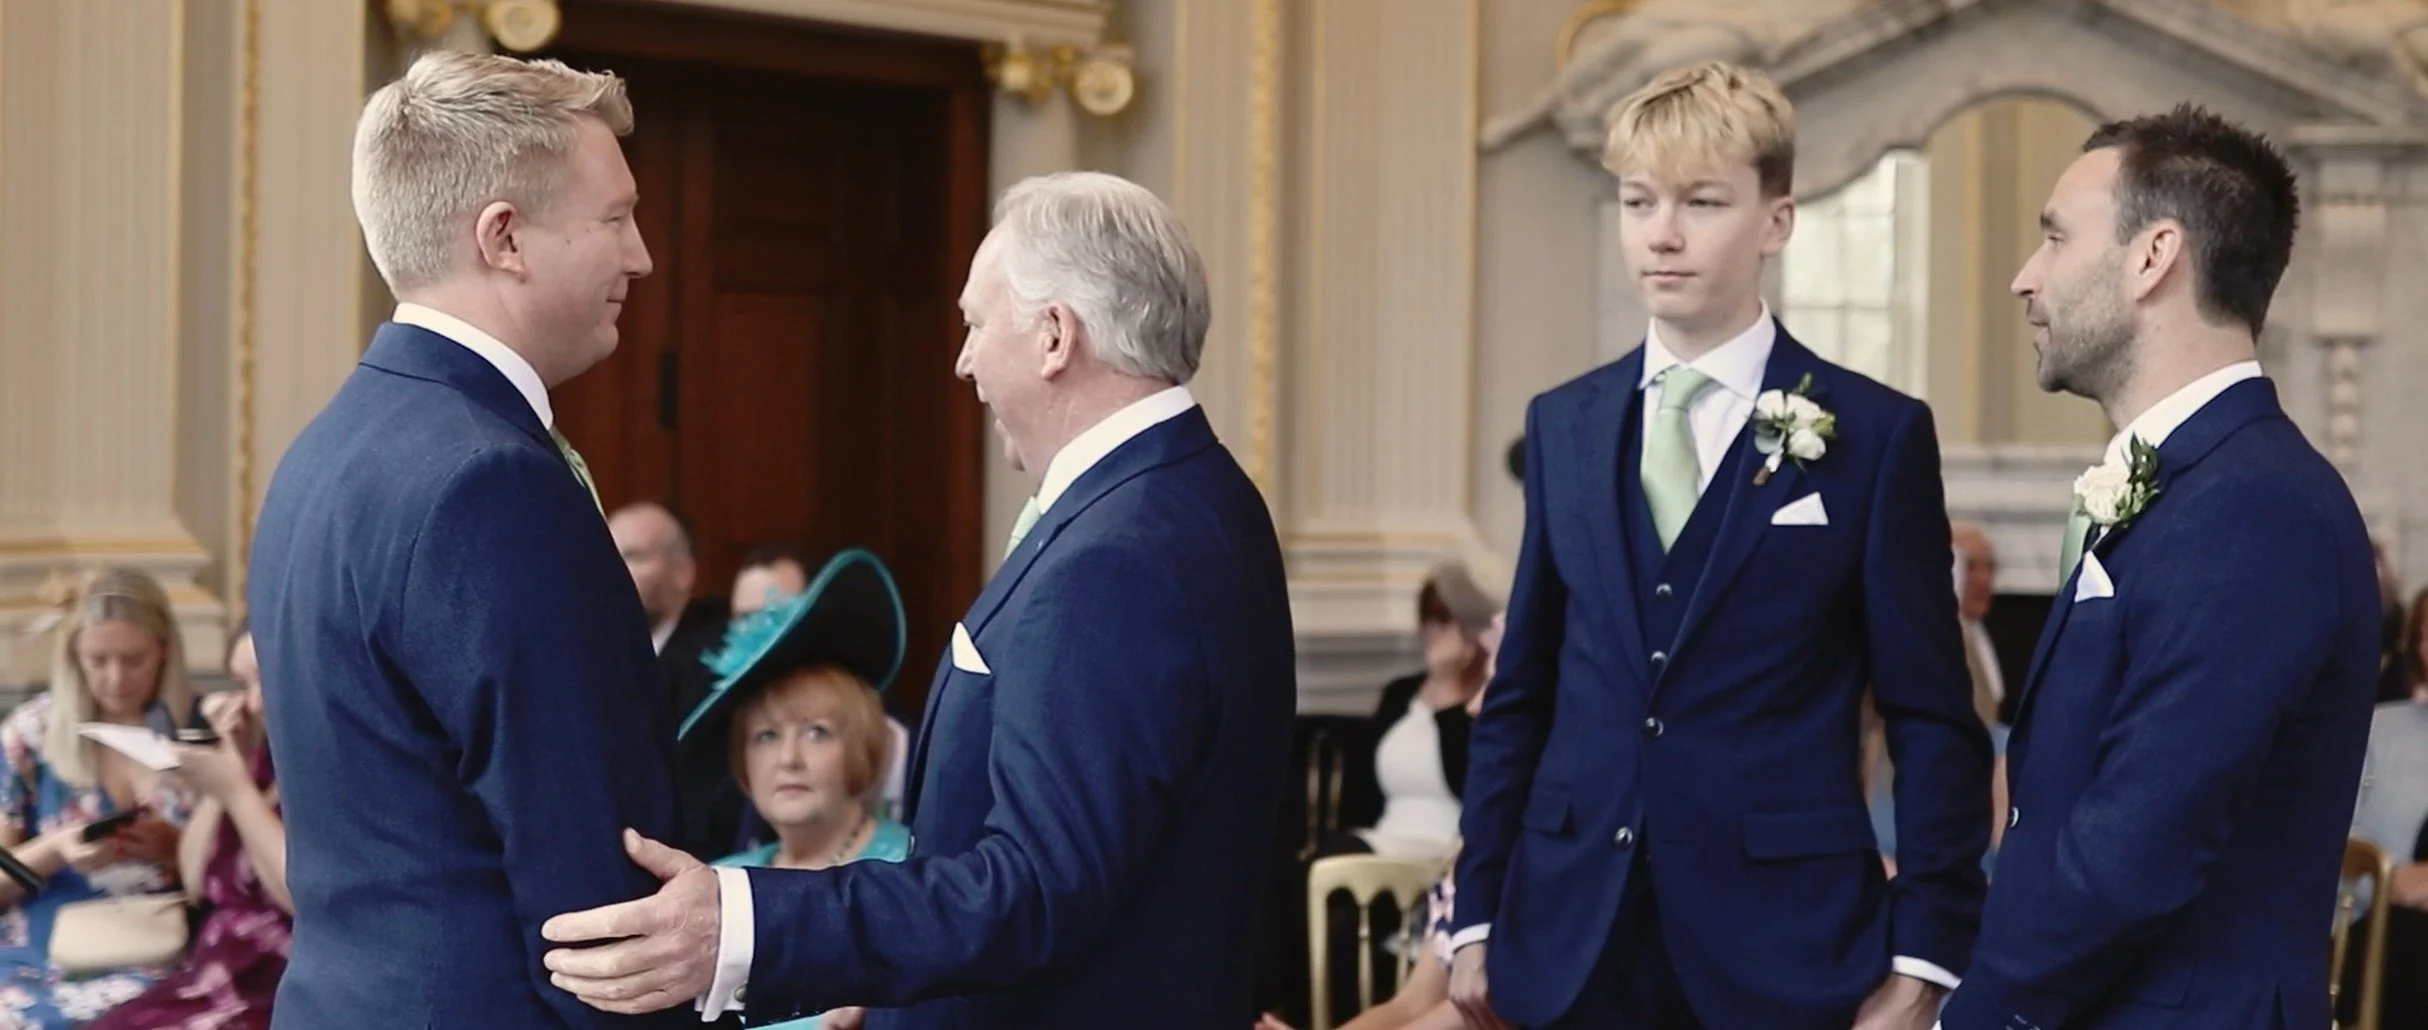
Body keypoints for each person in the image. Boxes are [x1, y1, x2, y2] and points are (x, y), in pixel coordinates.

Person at [539, 170, 1299, 1030]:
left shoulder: (1117, 555)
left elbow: (1037, 888)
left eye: (976, 324)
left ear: (1056, 336)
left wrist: (742, 925)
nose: (963, 361)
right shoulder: (1200, 493)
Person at [1450, 61, 1991, 1030]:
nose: (1661, 233)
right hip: (1565, 935)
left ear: (1776, 220)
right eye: (1637, 200)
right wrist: (1476, 913)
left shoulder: (1874, 434)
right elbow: (1522, 693)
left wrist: (1926, 950)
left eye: (1701, 202)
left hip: (1788, 947)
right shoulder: (1562, 424)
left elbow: (1931, 715)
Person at [248, 50, 680, 1029]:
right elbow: (589, 889)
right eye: (614, 216)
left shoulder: (321, 452)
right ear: (506, 237)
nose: (641, 254)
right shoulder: (493, 479)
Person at [1939, 105, 2378, 1029]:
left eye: (2055, 238)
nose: (2026, 279)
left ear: (2154, 256)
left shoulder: (2257, 507)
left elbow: (2134, 848)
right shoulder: (2196, 483)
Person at [682, 550, 913, 1030]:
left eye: (817, 732)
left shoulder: (915, 874)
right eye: (766, 736)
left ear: (864, 745)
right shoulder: (716, 889)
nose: (789, 758)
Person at [0, 569, 195, 1028]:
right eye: (98, 660)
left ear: (164, 651)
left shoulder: (200, 734)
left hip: (160, 945)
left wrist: (177, 851)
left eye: (133, 660)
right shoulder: (31, 736)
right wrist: (53, 852)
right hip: (43, 951)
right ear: (74, 659)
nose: (115, 678)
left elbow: (246, 881)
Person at [92, 621, 291, 1030]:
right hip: (212, 976)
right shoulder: (260, 761)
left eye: (266, 681)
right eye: (242, 684)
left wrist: (237, 792)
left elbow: (302, 897)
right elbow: (198, 881)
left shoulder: (329, 775)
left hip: (274, 989)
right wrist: (230, 766)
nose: (252, 704)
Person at [2344, 691, 2428, 1028]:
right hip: (2373, 925)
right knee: (2408, 937)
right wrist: (2388, 882)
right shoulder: (2377, 730)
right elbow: (2331, 846)